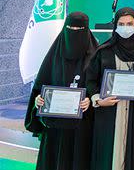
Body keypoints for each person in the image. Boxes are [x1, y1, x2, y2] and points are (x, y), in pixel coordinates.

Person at [25, 12, 97, 170]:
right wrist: (39, 100)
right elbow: (40, 86)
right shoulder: (54, 55)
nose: (74, 32)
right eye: (71, 27)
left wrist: (90, 100)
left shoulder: (95, 56)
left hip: (81, 127)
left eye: (79, 28)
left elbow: (99, 86)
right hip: (54, 126)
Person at [86, 7, 134, 170]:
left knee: (133, 152)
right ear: (115, 26)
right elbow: (91, 80)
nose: (125, 28)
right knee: (107, 155)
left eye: (130, 24)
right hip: (107, 112)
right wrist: (98, 100)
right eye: (121, 24)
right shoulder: (103, 51)